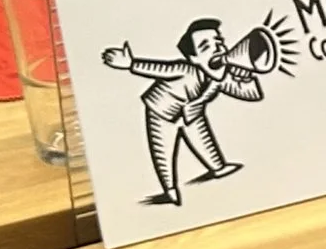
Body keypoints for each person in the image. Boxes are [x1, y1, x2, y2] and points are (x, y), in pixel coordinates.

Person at [102, 18, 267, 205]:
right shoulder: (184, 69)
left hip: (192, 112)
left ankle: (218, 167)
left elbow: (251, 94)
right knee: (163, 150)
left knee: (203, 140)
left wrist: (246, 79)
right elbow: (160, 69)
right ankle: (170, 189)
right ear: (194, 58)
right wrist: (130, 63)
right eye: (206, 47)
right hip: (162, 111)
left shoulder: (221, 77)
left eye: (218, 42)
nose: (217, 48)